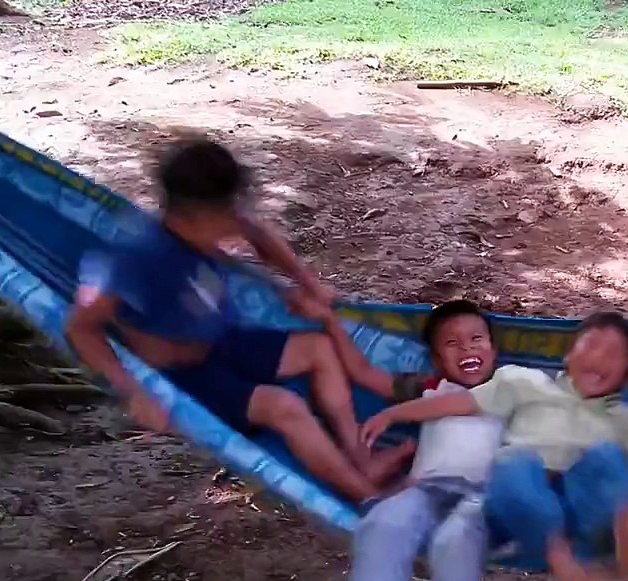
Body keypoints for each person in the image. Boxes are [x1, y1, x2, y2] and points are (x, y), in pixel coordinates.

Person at [66, 137, 406, 503]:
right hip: (184, 377)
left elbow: (257, 233)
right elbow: (80, 328)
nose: (235, 222)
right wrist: (132, 390)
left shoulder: (205, 222)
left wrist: (306, 284)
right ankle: (370, 499)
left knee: (319, 347)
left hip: (222, 341)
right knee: (284, 407)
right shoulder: (135, 256)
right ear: (197, 213)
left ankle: (360, 458)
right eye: (228, 213)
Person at [361, 311, 628, 581]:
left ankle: (622, 558)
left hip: (580, 512)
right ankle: (563, 561)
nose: (598, 358)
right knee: (513, 463)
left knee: (607, 458)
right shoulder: (524, 382)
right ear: (568, 355)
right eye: (592, 345)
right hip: (519, 504)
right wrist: (394, 414)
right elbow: (458, 404)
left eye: (614, 353)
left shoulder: (624, 421)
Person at [314, 300, 502, 581]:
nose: (466, 349)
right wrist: (330, 320)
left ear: (493, 348)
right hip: (426, 491)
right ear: (436, 359)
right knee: (381, 524)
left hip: (481, 499)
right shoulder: (428, 388)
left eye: (476, 339)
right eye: (451, 344)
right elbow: (364, 374)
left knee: (456, 543)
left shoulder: (514, 388)